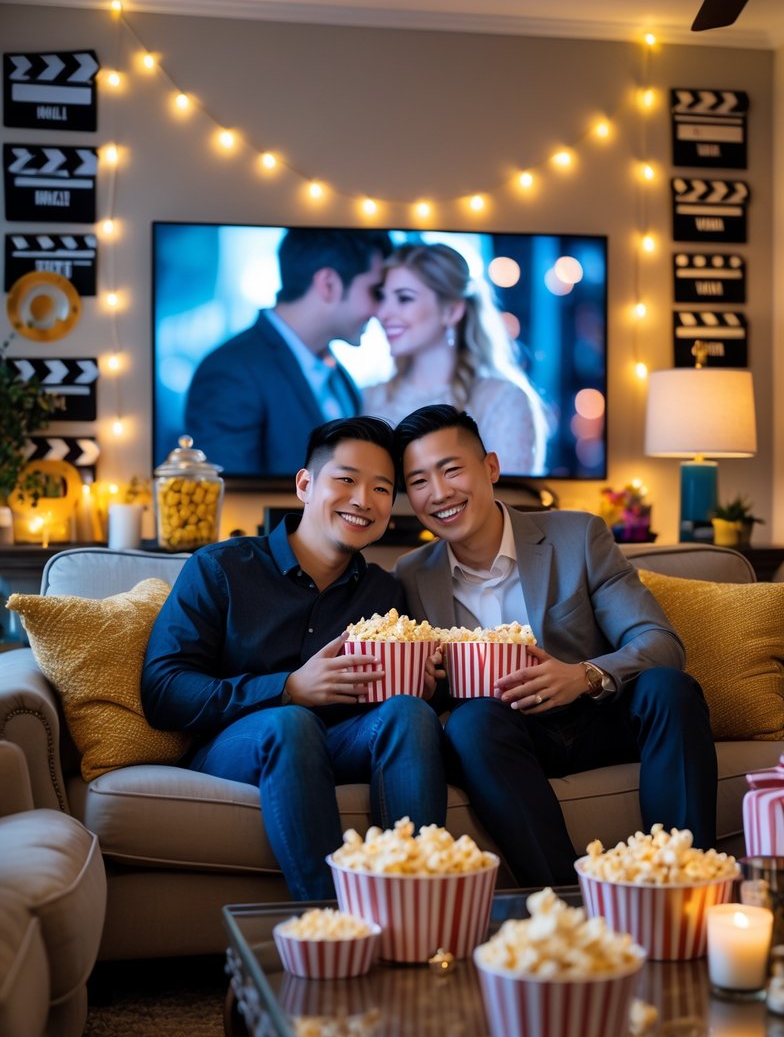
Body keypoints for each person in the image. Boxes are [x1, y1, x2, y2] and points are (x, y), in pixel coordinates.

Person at [393, 403, 717, 888]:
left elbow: (659, 641)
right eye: (418, 481)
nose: (439, 493)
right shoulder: (412, 574)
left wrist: (582, 675)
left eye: (451, 470)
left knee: (669, 688)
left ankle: (682, 881)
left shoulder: (578, 536)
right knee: (471, 722)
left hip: (598, 717)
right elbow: (429, 692)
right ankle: (564, 901)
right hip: (508, 741)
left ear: (491, 467)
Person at [141, 415, 447, 900]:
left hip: (343, 741)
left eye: (382, 489)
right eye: (346, 479)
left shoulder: (383, 591)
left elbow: (392, 704)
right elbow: (163, 689)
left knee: (411, 713)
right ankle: (332, 924)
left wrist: (418, 685)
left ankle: (418, 908)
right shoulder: (221, 568)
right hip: (239, 745)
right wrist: (288, 688)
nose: (363, 500)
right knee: (292, 722)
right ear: (306, 484)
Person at [185, 228, 393, 476]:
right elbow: (227, 495)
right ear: (329, 284)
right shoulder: (230, 371)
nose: (382, 309)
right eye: (376, 291)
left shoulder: (340, 377)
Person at [362, 242, 549, 475]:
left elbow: (510, 502)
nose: (382, 313)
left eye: (404, 298)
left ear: (452, 311)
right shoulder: (368, 398)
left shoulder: (501, 401)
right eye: (382, 297)